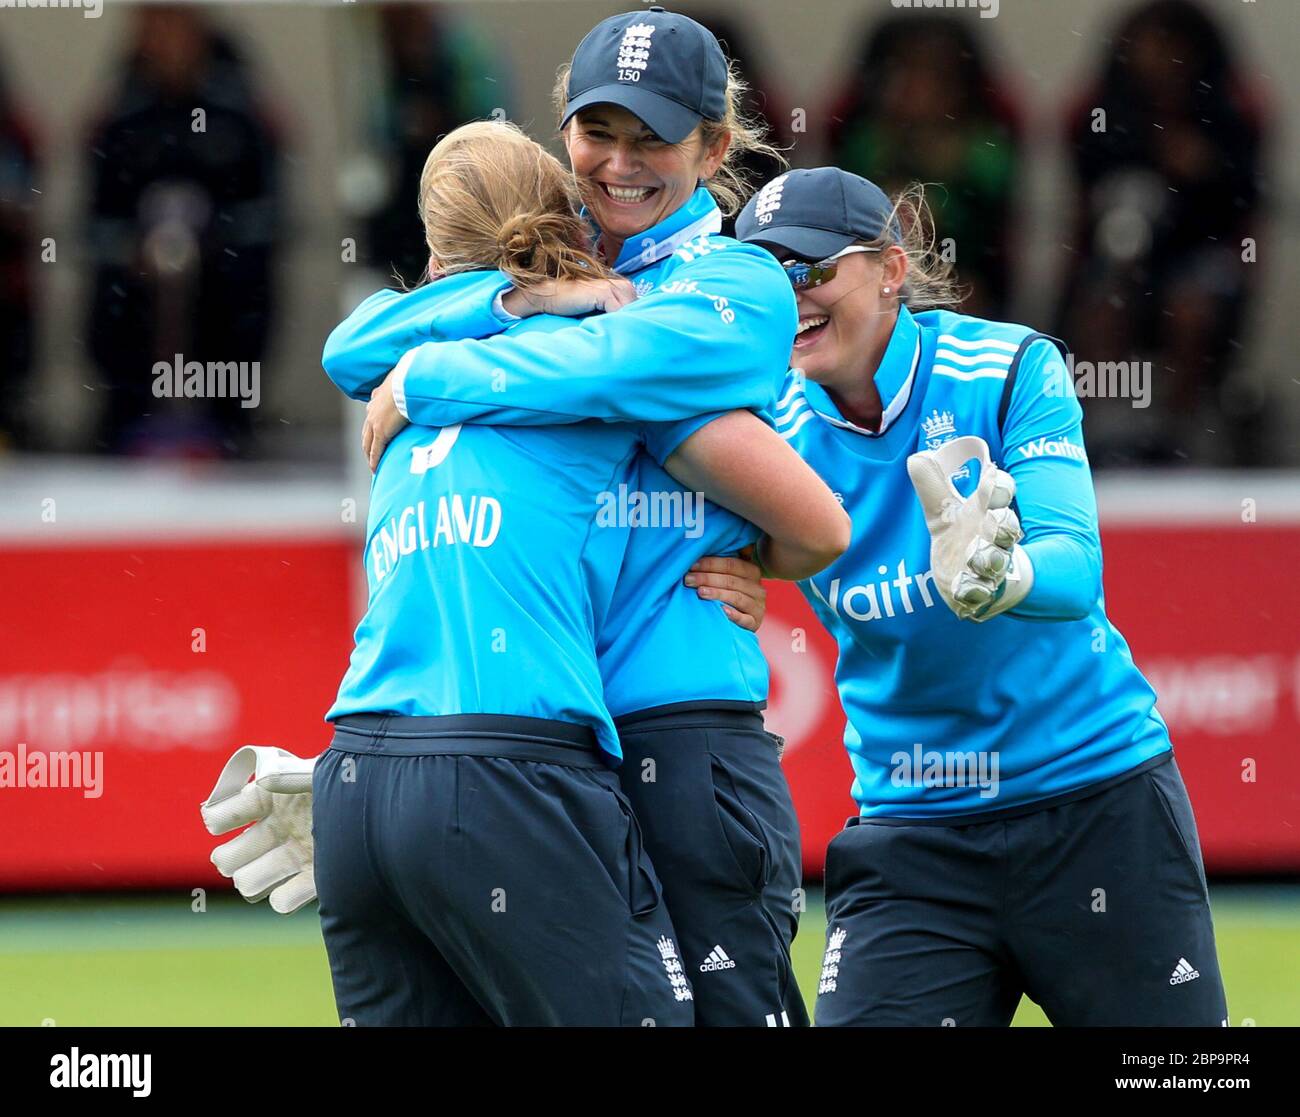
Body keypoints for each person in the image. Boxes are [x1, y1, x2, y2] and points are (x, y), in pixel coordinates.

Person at [203, 120, 846, 1027]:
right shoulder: (590, 371)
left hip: (362, 769)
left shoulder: (399, 376)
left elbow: (347, 346)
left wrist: (398, 786)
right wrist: (758, 554)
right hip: (520, 764)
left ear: (430, 252)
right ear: (571, 223)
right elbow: (820, 519)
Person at [701, 165, 1226, 1026]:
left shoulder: (1010, 364)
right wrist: (736, 573)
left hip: (1095, 800)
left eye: (814, 270)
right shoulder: (761, 427)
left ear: (893, 268)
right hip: (912, 829)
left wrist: (1006, 577)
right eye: (769, 277)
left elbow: (1075, 564)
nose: (791, 296)